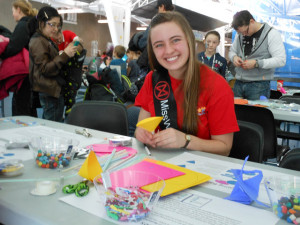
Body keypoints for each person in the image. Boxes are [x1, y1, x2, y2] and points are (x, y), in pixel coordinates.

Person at [134, 12, 239, 156]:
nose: (169, 50)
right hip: (160, 165)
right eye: (159, 45)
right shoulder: (152, 79)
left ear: (190, 41)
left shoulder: (217, 85)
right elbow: (143, 126)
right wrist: (141, 134)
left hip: (201, 169)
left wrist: (186, 140)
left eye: (176, 40)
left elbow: (224, 148)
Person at [28, 6, 77, 122]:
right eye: (52, 24)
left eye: (57, 25)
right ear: (41, 23)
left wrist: (61, 54)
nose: (55, 29)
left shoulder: (45, 40)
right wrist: (64, 54)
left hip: (52, 90)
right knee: (52, 127)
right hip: (49, 91)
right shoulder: (38, 41)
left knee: (51, 124)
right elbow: (45, 69)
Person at [229, 10, 286, 100]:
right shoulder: (240, 34)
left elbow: (281, 60)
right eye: (241, 33)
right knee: (236, 113)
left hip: (259, 85)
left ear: (252, 21)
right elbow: (232, 51)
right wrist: (234, 57)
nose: (243, 35)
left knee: (255, 113)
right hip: (238, 83)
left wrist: (257, 63)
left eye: (246, 31)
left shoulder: (271, 34)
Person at [0, 0, 38, 117]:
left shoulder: (23, 25)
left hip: (25, 73)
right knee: (29, 107)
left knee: (21, 108)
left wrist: (2, 51)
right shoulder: (33, 24)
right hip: (33, 71)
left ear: (19, 10)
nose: (12, 14)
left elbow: (14, 47)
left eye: (13, 11)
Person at [52, 29, 86, 117]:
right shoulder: (53, 41)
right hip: (65, 66)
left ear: (60, 33)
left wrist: (74, 45)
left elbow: (77, 40)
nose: (58, 41)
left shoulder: (68, 33)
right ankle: (67, 109)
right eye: (56, 40)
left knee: (71, 89)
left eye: (58, 38)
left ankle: (70, 110)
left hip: (73, 67)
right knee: (66, 91)